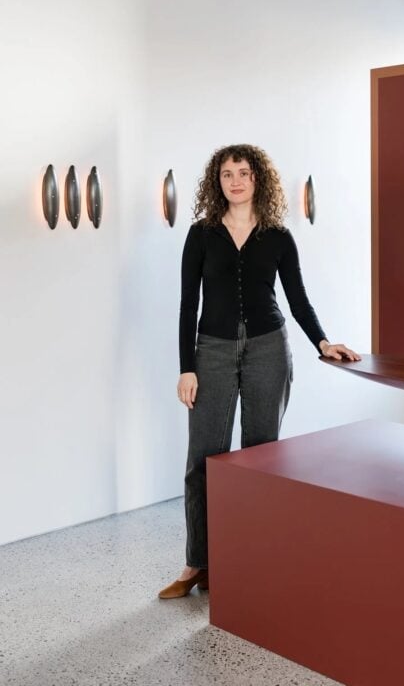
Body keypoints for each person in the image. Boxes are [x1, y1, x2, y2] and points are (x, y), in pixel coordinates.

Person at [158, 144, 360, 599]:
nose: (235, 181)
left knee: (260, 458)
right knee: (203, 460)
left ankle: (251, 559)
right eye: (227, 174)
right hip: (212, 350)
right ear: (217, 182)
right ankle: (197, 564)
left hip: (269, 349)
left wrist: (323, 342)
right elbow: (188, 305)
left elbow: (298, 297)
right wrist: (187, 368)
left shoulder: (278, 236)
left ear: (258, 179)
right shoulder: (201, 234)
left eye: (244, 173)